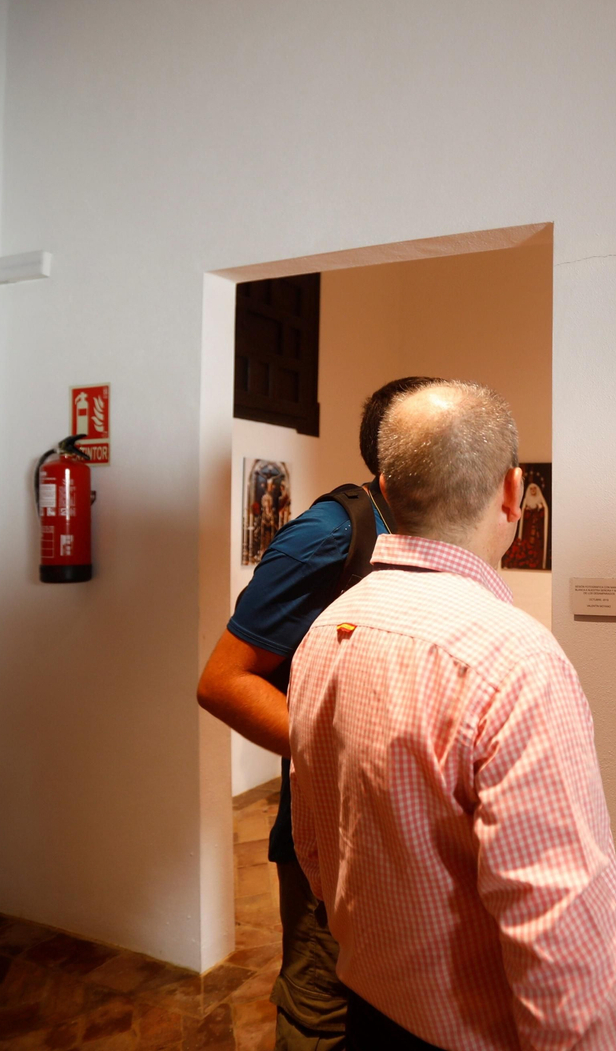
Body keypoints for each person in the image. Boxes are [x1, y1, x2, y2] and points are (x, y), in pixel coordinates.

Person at [286, 381, 616, 1051]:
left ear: (386, 493)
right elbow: (565, 938)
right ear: (513, 494)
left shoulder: (326, 630)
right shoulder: (514, 661)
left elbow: (315, 848)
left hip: (368, 1014)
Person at [198, 375, 440, 1051]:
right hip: (326, 836)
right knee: (321, 1009)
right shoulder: (328, 533)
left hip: (400, 831)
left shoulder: (432, 530)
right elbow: (223, 681)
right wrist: (351, 752)